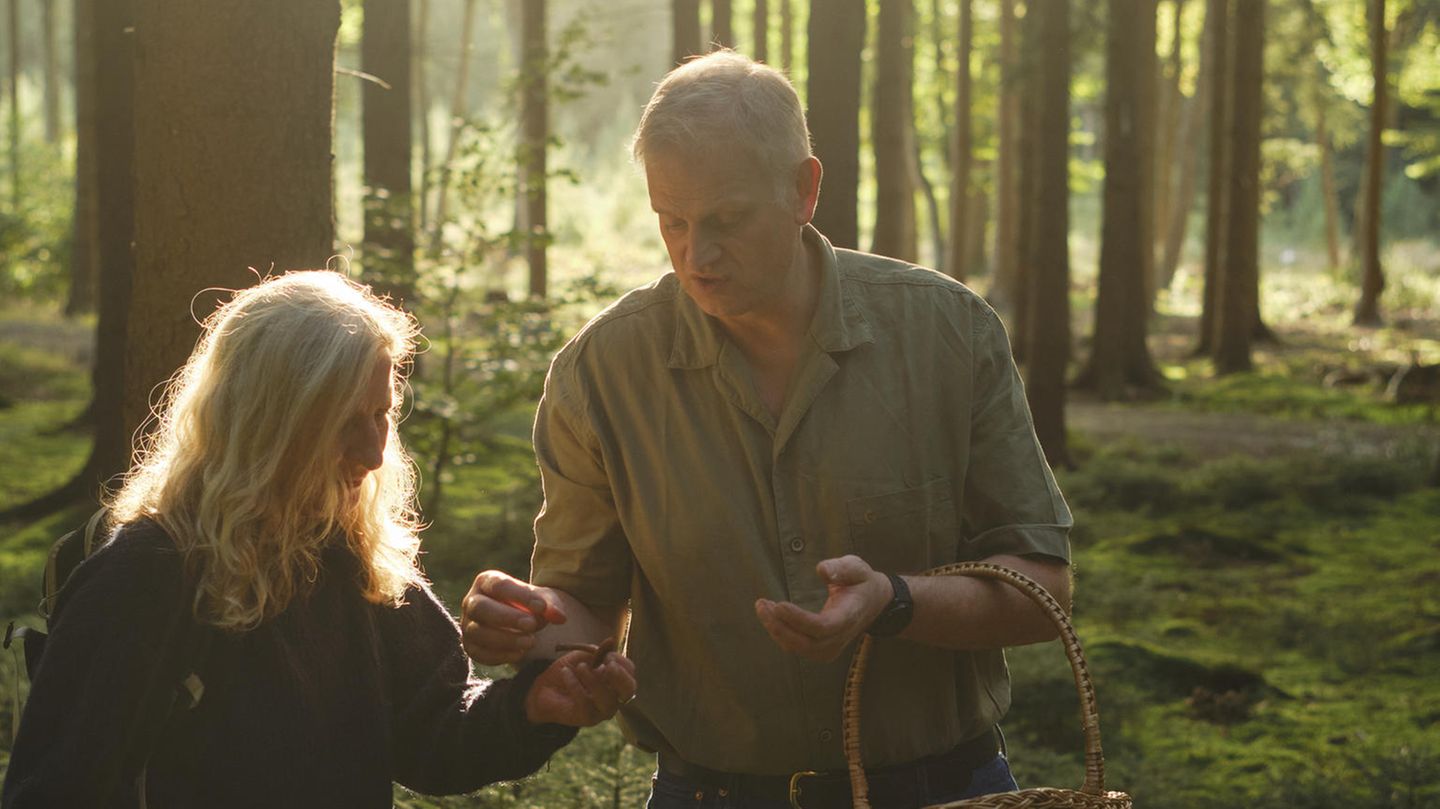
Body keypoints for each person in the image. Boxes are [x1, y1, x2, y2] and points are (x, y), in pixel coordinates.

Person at [461, 51, 1072, 808]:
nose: (696, 255)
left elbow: (1046, 588)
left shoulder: (947, 336)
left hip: (940, 786)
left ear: (803, 189)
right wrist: (530, 624)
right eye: (671, 221)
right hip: (707, 791)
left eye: (726, 219)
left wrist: (893, 600)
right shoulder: (602, 373)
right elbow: (584, 608)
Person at [2, 271, 636, 808]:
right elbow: (57, 787)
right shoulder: (147, 576)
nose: (373, 450)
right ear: (264, 424)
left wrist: (530, 706)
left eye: (382, 414)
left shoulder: (352, 558)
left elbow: (432, 736)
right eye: (344, 424)